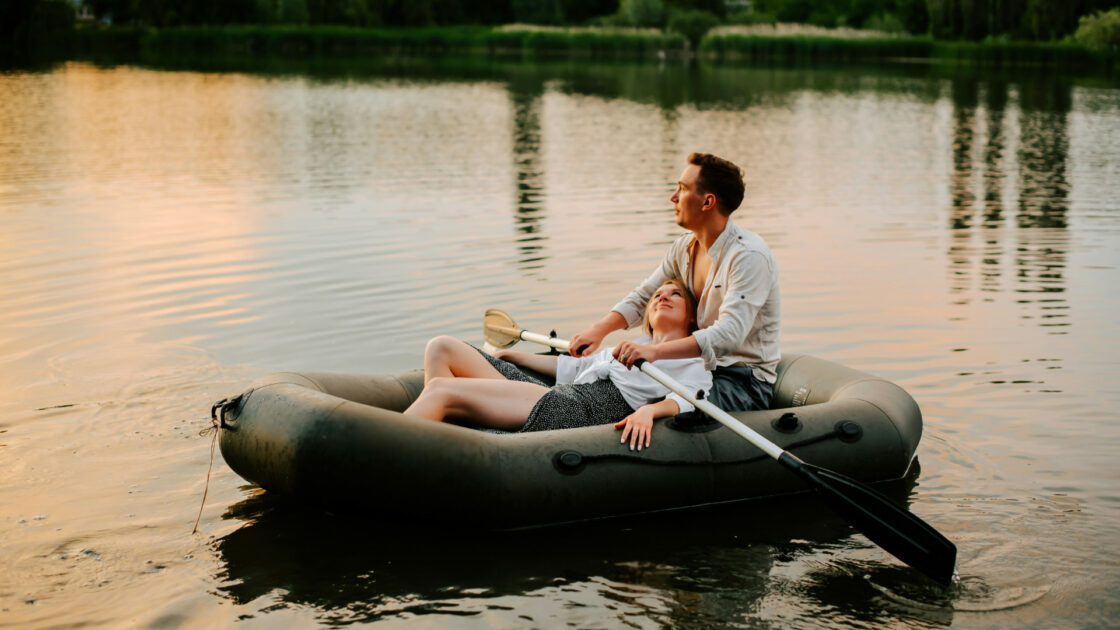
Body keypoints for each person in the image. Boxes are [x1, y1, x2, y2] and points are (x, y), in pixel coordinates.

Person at [569, 152, 780, 412]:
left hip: (741, 382)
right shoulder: (683, 248)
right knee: (621, 387)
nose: (673, 197)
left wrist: (656, 353)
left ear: (707, 202)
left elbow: (730, 334)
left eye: (682, 188)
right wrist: (599, 330)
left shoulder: (749, 256)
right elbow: (645, 296)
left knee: (657, 408)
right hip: (696, 367)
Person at [404, 279, 712, 450]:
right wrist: (512, 357)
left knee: (442, 391)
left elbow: (690, 398)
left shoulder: (691, 359)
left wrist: (649, 411)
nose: (662, 297)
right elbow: (574, 369)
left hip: (577, 413)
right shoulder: (635, 345)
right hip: (560, 395)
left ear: (691, 317)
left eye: (675, 295)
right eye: (657, 294)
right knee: (441, 347)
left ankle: (392, 451)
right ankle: (433, 443)